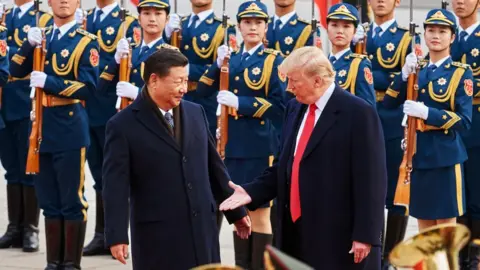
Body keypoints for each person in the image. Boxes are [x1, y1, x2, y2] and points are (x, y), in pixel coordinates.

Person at [219, 46, 387, 270]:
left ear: (317, 81)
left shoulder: (358, 113)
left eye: (293, 81)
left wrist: (366, 235)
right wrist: (250, 192)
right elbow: (285, 166)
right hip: (294, 232)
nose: (288, 88)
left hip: (338, 237)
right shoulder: (295, 108)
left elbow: (372, 180)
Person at [103, 48, 250, 270]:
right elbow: (115, 185)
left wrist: (236, 212)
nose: (184, 88)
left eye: (186, 80)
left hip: (201, 229)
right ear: (154, 80)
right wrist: (116, 235)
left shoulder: (195, 112)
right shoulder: (122, 125)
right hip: (158, 234)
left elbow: (215, 169)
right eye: (178, 81)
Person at [9, 0, 99, 267]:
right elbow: (15, 71)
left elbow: (89, 88)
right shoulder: (41, 35)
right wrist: (27, 44)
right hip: (40, 126)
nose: (63, 2)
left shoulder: (85, 42)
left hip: (69, 126)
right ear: (49, 2)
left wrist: (50, 83)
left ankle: (71, 264)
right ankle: (53, 264)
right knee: (49, 200)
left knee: (71, 200)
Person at [197, 1, 287, 268]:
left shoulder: (273, 60)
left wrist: (242, 104)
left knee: (259, 213)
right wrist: (216, 64)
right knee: (237, 211)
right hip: (231, 145)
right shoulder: (231, 58)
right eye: (247, 22)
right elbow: (202, 91)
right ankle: (242, 265)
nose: (252, 27)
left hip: (259, 145)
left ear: (265, 27)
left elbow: (281, 108)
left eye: (258, 23)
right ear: (239, 26)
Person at [383, 9, 472, 232]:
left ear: (452, 37)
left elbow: (464, 121)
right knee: (424, 229)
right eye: (431, 30)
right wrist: (403, 76)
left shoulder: (461, 73)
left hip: (445, 157)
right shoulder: (417, 69)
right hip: (417, 156)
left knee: (444, 229)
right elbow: (388, 103)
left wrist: (427, 113)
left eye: (442, 31)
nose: (436, 35)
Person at [356, 0, 421, 267]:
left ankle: (390, 259)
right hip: (361, 116)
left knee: (396, 193)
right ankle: (369, 254)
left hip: (394, 119)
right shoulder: (358, 35)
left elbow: (412, 76)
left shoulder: (407, 37)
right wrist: (354, 46)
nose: (380, 1)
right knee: (366, 188)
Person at [164, 0, 236, 233]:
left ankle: (208, 233)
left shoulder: (224, 28)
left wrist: (210, 67)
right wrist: (166, 39)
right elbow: (161, 66)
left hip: (205, 105)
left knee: (207, 172)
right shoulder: (178, 26)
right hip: (174, 104)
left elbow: (222, 72)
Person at [74, 0, 140, 257]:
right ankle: (102, 234)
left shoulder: (128, 20)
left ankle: (116, 235)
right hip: (86, 107)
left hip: (113, 109)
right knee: (98, 176)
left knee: (116, 176)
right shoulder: (84, 19)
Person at [0, 0, 51, 253]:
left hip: (25, 100)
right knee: (10, 168)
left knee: (28, 165)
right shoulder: (4, 16)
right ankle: (14, 228)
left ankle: (31, 228)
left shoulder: (42, 17)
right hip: (3, 101)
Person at [451, 0, 480, 268]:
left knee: (476, 195)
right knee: (455, 196)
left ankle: (475, 257)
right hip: (452, 130)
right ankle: (458, 255)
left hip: (478, 127)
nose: (460, 1)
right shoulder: (448, 37)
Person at [98, 0, 170, 101]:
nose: (152, 19)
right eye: (146, 13)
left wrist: (138, 93)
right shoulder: (130, 50)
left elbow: (170, 96)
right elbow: (101, 87)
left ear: (167, 19)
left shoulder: (170, 55)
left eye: (158, 13)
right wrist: (116, 60)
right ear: (139, 19)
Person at [326, 3, 376, 106]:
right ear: (327, 29)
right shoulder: (321, 62)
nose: (340, 31)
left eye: (346, 26)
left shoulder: (359, 64)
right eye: (334, 25)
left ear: (355, 31)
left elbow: (368, 108)